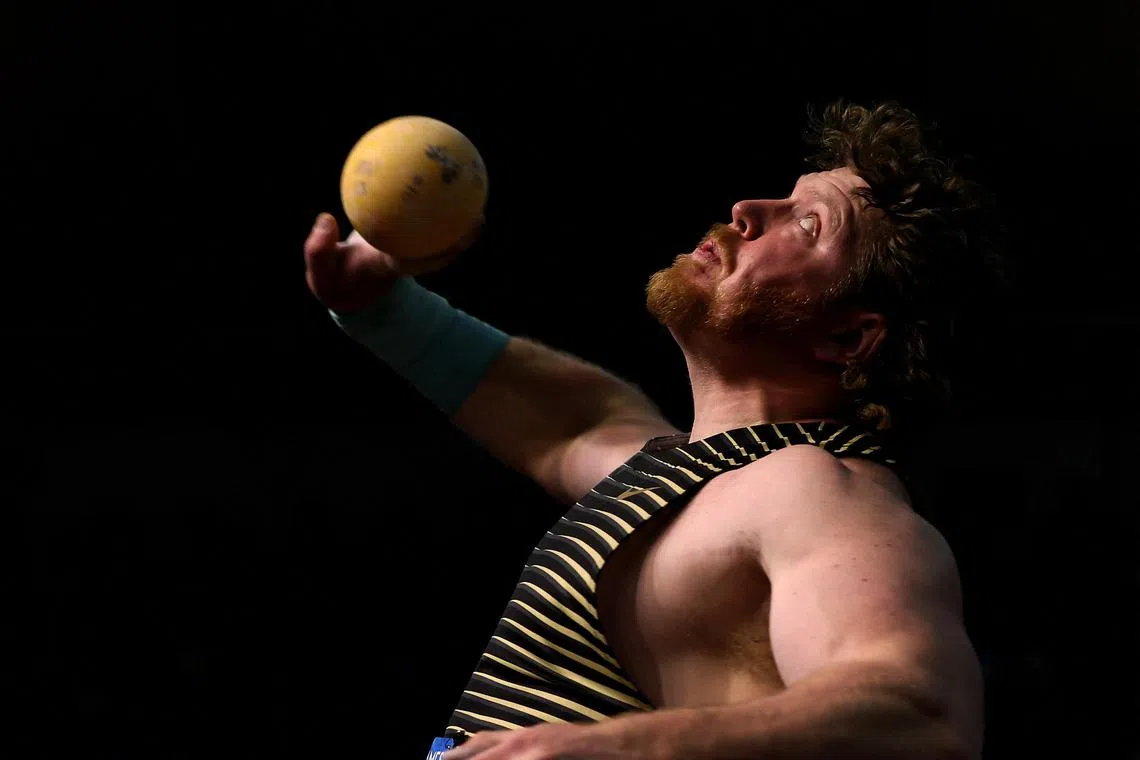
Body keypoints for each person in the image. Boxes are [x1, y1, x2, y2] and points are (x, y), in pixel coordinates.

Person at [303, 100, 1004, 760]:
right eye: (783, 195)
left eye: (809, 224)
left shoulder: (823, 491)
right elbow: (574, 426)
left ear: (849, 336)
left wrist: (616, 746)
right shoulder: (694, 473)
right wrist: (387, 311)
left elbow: (923, 713)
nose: (747, 210)